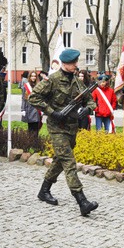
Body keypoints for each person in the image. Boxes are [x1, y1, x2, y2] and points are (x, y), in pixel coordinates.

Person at [27, 48, 98, 216]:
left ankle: (44, 190)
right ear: (65, 63)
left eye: (76, 62)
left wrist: (87, 110)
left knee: (59, 160)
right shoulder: (52, 80)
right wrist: (52, 111)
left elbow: (90, 100)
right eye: (73, 63)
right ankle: (82, 201)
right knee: (68, 161)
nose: (76, 65)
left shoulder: (77, 80)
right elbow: (33, 97)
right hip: (57, 128)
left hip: (71, 127)